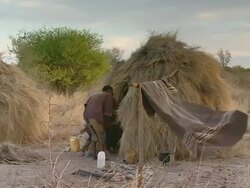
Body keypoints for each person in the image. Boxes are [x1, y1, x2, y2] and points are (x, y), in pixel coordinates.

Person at [83, 85, 116, 159]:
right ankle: (102, 156)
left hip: (87, 116)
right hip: (95, 116)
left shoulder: (95, 95)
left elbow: (86, 106)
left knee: (94, 137)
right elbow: (109, 113)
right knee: (102, 137)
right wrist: (108, 122)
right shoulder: (109, 96)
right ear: (110, 90)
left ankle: (94, 155)